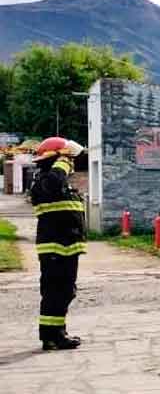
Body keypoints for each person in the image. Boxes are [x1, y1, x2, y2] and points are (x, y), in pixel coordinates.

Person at [29, 137, 87, 351]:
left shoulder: (54, 182)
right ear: (56, 160)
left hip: (65, 247)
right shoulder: (46, 181)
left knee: (64, 292)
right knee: (56, 292)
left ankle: (57, 333)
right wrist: (63, 160)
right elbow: (54, 182)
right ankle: (52, 337)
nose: (71, 164)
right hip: (55, 248)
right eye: (67, 161)